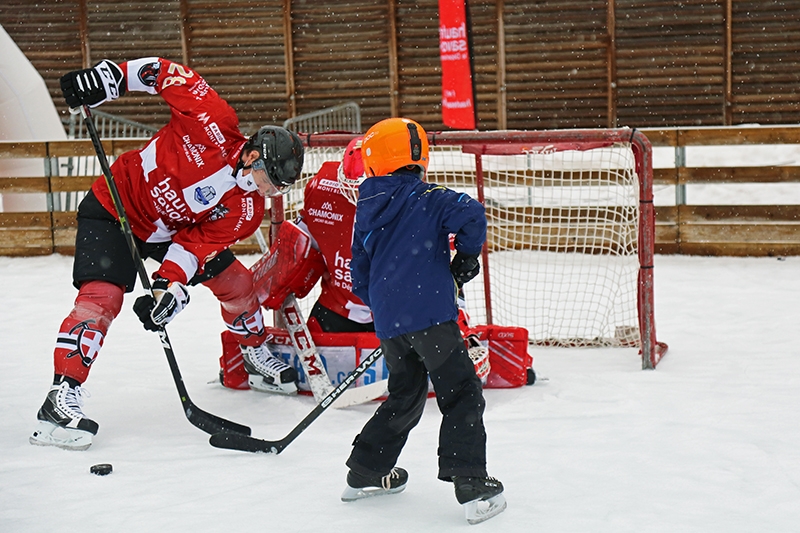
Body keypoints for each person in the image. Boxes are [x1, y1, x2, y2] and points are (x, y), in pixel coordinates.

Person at [30, 57, 305, 451]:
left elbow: (193, 247)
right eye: (268, 181)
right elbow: (162, 72)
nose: (267, 192)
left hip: (166, 233)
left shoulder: (246, 210)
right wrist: (108, 79)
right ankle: (59, 399)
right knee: (101, 299)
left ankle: (253, 354)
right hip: (116, 207)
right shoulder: (212, 119)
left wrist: (168, 290)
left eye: (277, 189)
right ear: (252, 156)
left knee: (239, 284)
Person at [340, 117, 506, 524]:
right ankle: (470, 482)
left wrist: (387, 305)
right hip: (431, 315)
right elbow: (472, 213)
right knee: (461, 390)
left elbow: (358, 270)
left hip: (391, 322)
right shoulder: (428, 196)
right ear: (419, 157)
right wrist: (466, 257)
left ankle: (365, 472)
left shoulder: (367, 206)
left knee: (406, 393)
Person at [295, 136, 374, 334]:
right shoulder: (323, 188)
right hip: (336, 306)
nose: (357, 197)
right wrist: (285, 272)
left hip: (392, 315)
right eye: (352, 188)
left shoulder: (416, 205)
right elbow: (304, 239)